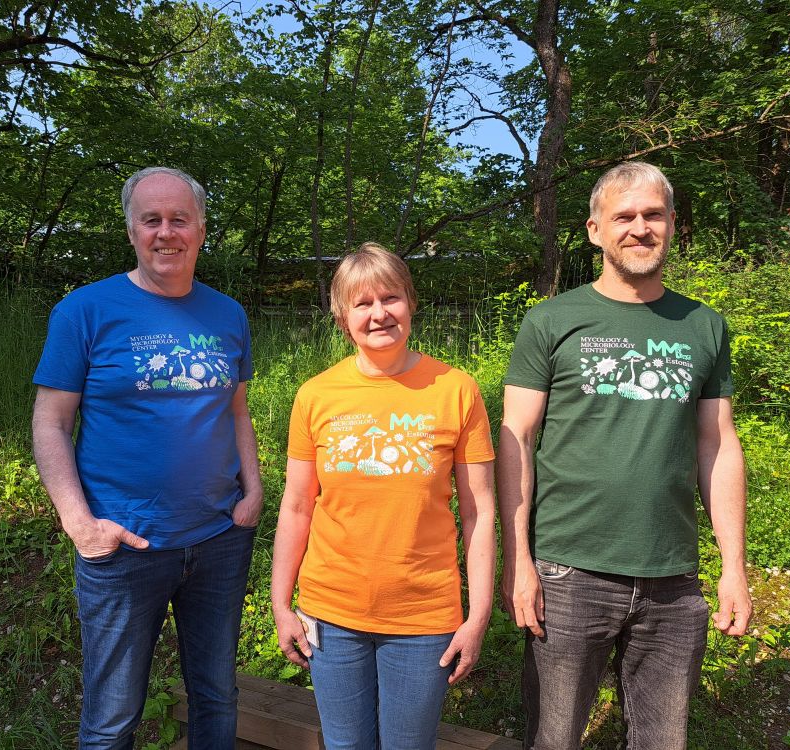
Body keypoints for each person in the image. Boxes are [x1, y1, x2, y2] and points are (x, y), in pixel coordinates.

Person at [499, 161, 752, 750]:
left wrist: (734, 565)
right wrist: (519, 563)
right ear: (595, 230)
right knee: (553, 739)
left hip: (673, 578)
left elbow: (718, 443)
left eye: (654, 214)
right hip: (568, 570)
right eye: (624, 216)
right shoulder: (551, 321)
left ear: (671, 225)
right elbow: (516, 439)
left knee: (663, 741)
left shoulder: (704, 326)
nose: (640, 227)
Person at [31, 166, 262, 749]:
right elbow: (51, 421)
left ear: (201, 230)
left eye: (179, 219)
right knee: (112, 717)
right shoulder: (84, 311)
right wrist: (78, 523)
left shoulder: (228, 314)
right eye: (151, 220)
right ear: (132, 230)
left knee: (216, 696)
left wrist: (253, 491)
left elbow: (236, 412)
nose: (166, 232)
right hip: (123, 545)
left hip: (217, 539)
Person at [270, 243, 497, 750]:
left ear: (411, 303)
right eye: (362, 303)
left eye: (390, 298)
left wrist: (477, 616)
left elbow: (480, 512)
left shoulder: (456, 390)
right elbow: (297, 505)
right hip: (331, 611)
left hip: (422, 617)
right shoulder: (316, 395)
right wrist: (281, 603)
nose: (379, 314)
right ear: (342, 316)